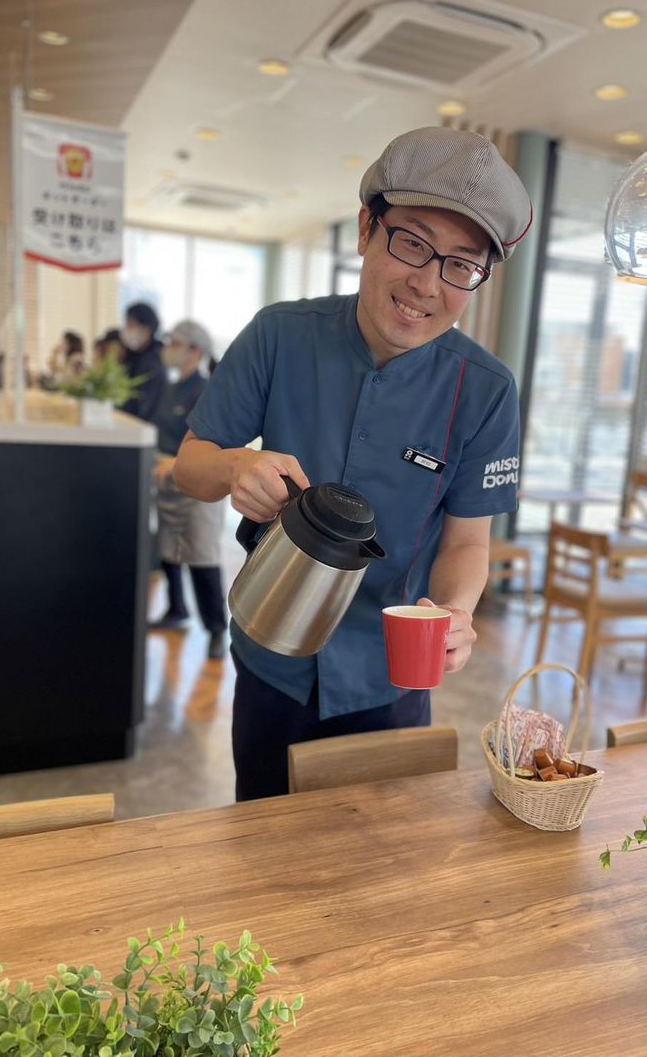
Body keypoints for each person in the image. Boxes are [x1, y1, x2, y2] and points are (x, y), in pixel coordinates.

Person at [173, 126, 533, 800]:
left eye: (461, 264)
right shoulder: (281, 334)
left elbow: (467, 540)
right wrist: (231, 470)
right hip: (272, 653)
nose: (428, 284)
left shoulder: (485, 391)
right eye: (413, 243)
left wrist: (454, 610)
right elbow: (188, 464)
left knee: (380, 869)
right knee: (263, 844)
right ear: (368, 227)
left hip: (389, 674)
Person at [149, 320, 227, 660]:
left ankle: (216, 629)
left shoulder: (207, 390)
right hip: (164, 480)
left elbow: (216, 443)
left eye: (176, 343)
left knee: (199, 555)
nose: (170, 349)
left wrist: (177, 462)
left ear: (195, 350)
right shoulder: (171, 386)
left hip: (197, 486)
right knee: (168, 548)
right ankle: (176, 608)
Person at [119, 302, 166, 421]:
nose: (127, 330)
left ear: (147, 329)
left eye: (131, 325)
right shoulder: (132, 356)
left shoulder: (153, 362)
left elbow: (142, 408)